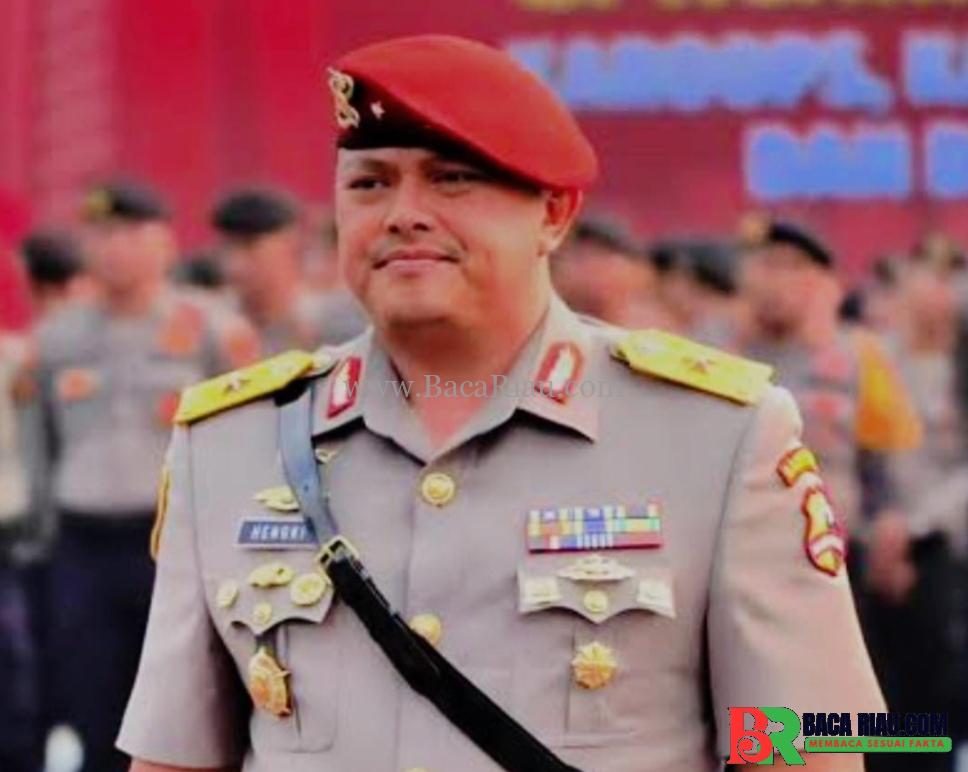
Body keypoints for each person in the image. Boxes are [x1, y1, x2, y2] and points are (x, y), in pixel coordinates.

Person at [120, 36, 883, 772]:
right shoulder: (226, 445)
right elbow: (176, 755)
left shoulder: (719, 436)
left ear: (554, 213)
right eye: (369, 183)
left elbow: (809, 749)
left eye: (452, 179)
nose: (403, 213)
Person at [26, 180, 259, 772]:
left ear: (165, 242)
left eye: (130, 233)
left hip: (174, 546)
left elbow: (247, 439)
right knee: (91, 701)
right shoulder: (57, 336)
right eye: (101, 234)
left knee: (191, 706)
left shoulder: (212, 328)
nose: (113, 248)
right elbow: (39, 446)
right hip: (83, 548)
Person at [212, 187, 367, 352]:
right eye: (227, 247)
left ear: (290, 241)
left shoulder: (339, 319)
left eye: (249, 246)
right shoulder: (214, 327)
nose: (235, 264)